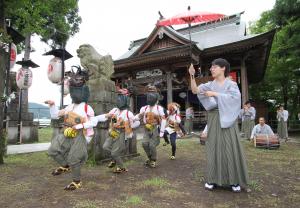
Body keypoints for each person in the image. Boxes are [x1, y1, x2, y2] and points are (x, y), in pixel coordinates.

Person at [189, 58, 249, 193]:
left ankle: (234, 181)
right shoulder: (210, 84)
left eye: (214, 67)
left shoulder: (231, 84)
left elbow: (235, 99)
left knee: (230, 147)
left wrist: (215, 94)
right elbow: (195, 90)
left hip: (228, 119)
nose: (211, 69)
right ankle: (212, 179)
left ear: (223, 68)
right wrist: (192, 75)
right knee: (213, 147)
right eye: (211, 67)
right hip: (214, 118)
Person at [46, 69, 97, 191]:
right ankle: (65, 165)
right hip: (68, 132)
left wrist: (80, 126)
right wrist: (52, 105)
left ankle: (76, 181)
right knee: (53, 150)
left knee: (74, 158)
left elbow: (93, 122)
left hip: (81, 135)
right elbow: (56, 115)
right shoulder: (70, 106)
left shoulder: (86, 107)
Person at [92, 88, 140, 173]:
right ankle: (114, 159)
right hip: (112, 131)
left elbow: (137, 122)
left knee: (115, 152)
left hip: (121, 133)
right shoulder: (114, 110)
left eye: (121, 97)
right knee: (105, 147)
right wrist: (95, 118)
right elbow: (105, 116)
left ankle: (121, 167)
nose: (119, 99)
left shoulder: (128, 113)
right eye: (118, 97)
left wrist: (128, 126)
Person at [134, 85, 166, 168]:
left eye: (152, 93)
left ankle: (153, 160)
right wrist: (135, 118)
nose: (150, 96)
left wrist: (162, 131)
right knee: (144, 144)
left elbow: (163, 119)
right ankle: (150, 158)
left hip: (155, 128)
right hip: (146, 128)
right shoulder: (144, 108)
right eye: (149, 94)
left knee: (152, 145)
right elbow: (139, 116)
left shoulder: (159, 108)